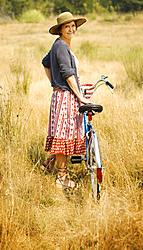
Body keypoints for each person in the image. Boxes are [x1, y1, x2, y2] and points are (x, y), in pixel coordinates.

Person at [42, 11, 91, 189]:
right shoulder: (61, 46)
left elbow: (45, 62)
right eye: (67, 27)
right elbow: (68, 74)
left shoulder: (59, 44)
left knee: (61, 134)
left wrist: (54, 84)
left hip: (60, 95)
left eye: (73, 26)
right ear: (60, 30)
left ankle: (49, 162)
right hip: (66, 97)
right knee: (64, 138)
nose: (71, 29)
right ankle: (62, 179)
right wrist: (80, 97)